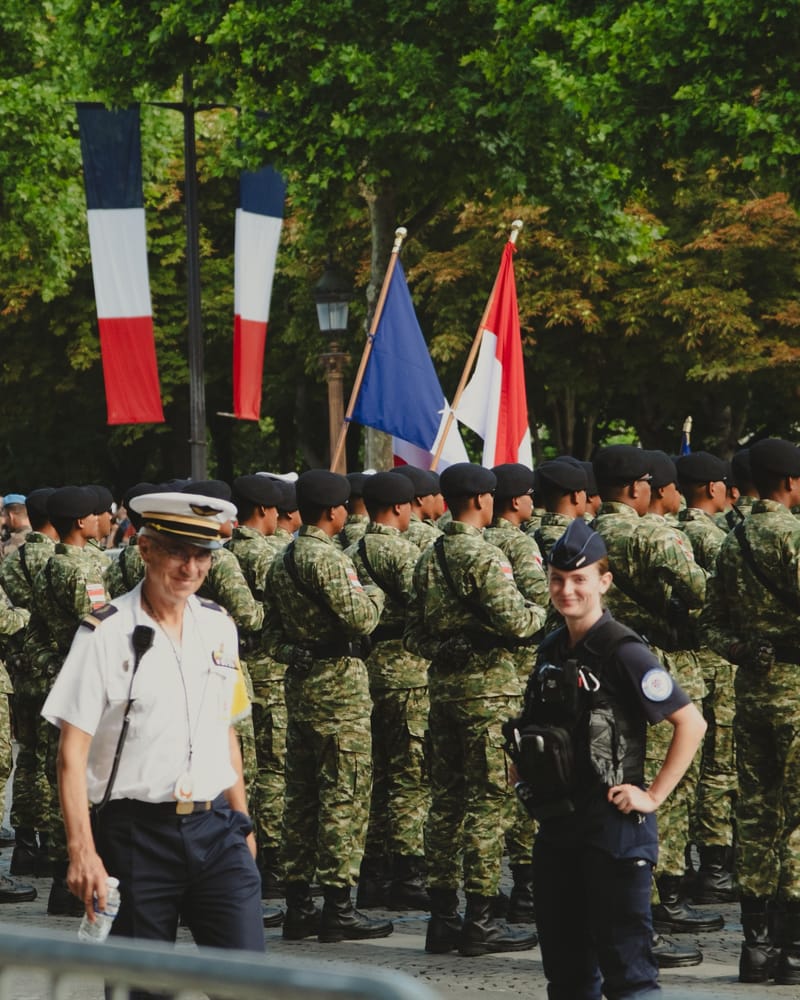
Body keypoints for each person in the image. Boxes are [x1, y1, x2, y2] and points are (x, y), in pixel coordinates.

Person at [41, 490, 263, 973]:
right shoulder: (105, 632)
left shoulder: (219, 626)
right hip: (137, 836)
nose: (190, 567)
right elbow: (71, 753)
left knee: (252, 983)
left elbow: (226, 730)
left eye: (202, 554)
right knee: (141, 987)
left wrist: (242, 822)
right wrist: (82, 850)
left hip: (216, 831)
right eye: (177, 552)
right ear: (145, 549)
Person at [510, 517, 707, 999]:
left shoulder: (623, 650)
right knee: (567, 977)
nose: (567, 590)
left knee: (629, 976)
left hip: (613, 829)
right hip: (559, 826)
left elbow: (691, 722)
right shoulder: (552, 648)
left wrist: (652, 796)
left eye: (579, 579)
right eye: (558, 579)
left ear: (604, 581)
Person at [405, 462, 543, 957]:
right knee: (489, 804)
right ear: (484, 500)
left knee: (445, 803)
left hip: (443, 693)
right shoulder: (484, 555)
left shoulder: (428, 556)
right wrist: (547, 609)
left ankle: (443, 918)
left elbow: (412, 635)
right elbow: (519, 623)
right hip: (490, 698)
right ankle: (481, 920)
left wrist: (447, 647)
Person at [263, 469, 392, 944]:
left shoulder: (281, 561)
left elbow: (270, 636)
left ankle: (298, 906)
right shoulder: (329, 559)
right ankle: (338, 907)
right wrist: (375, 593)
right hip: (340, 695)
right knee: (344, 796)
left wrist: (298, 653)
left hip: (301, 693)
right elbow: (360, 620)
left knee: (301, 800)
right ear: (335, 511)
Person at [700, 438, 800, 985]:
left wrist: (741, 649)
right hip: (797, 691)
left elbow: (710, 624)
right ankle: (795, 949)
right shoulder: (793, 537)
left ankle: (756, 949)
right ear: (789, 481)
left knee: (757, 816)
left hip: (753, 692)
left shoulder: (732, 541)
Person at [345, 471, 431, 911]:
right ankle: (408, 874)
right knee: (410, 777)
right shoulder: (405, 552)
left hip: (365, 671)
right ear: (401, 507)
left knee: (376, 777)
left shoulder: (348, 552)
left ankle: (373, 874)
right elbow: (428, 604)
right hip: (407, 672)